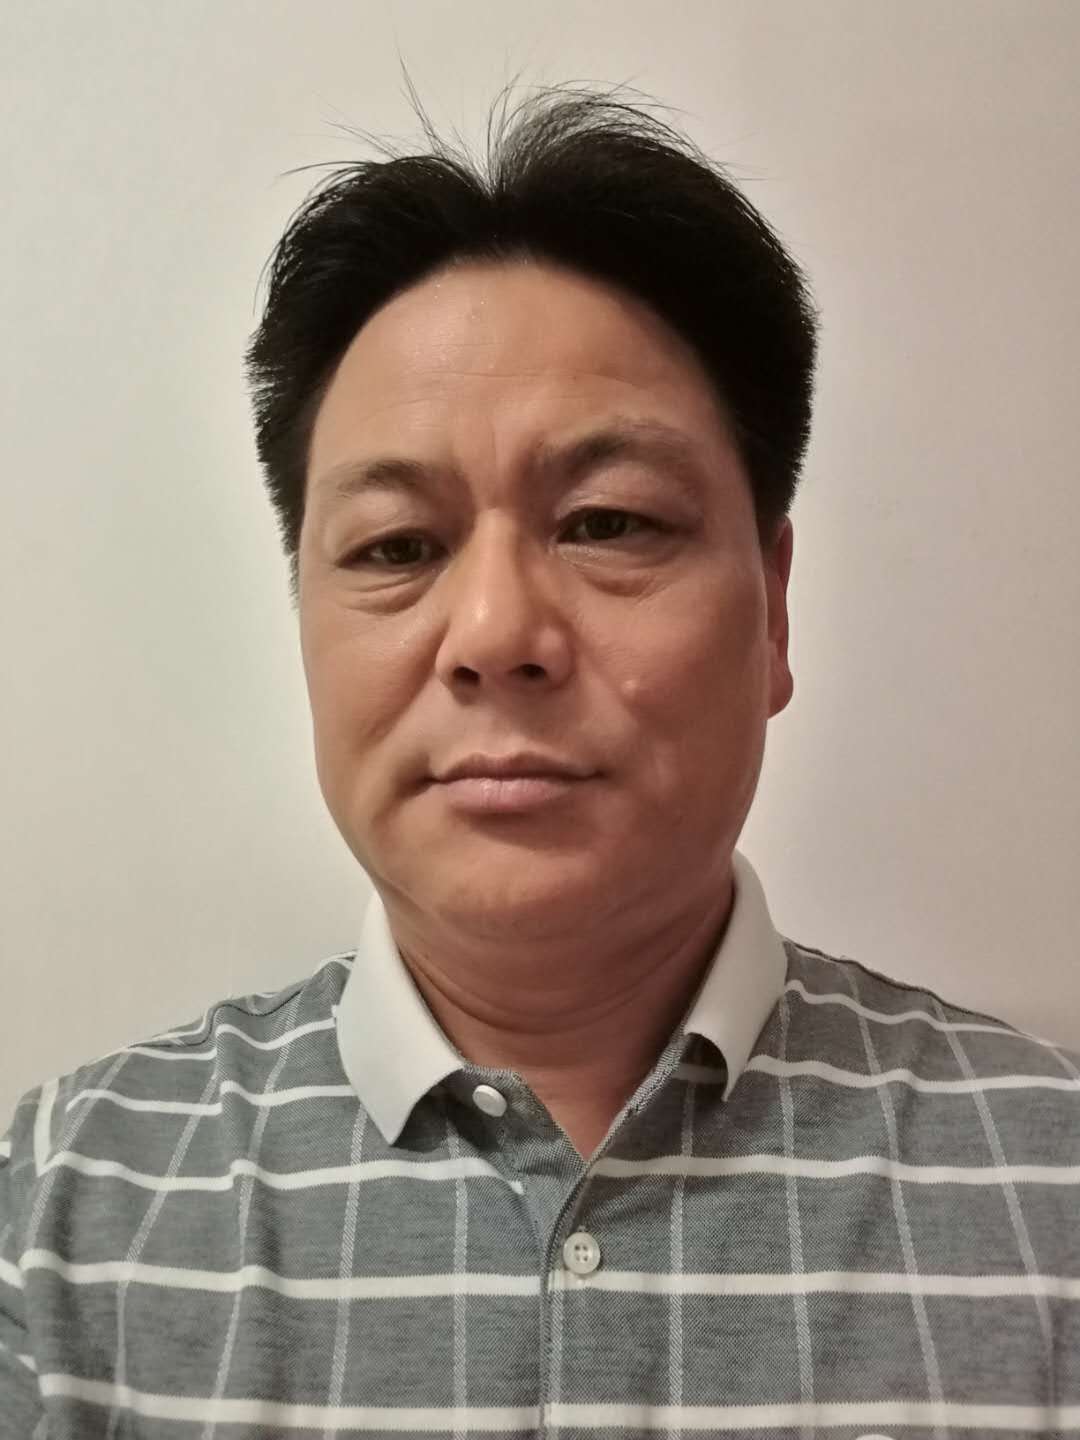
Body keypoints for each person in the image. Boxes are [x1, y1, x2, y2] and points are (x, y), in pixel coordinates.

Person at [2, 85, 1077, 1439]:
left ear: (775, 611)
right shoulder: (62, 1210)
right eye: (397, 547)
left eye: (609, 522)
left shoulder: (1048, 1183)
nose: (498, 634)